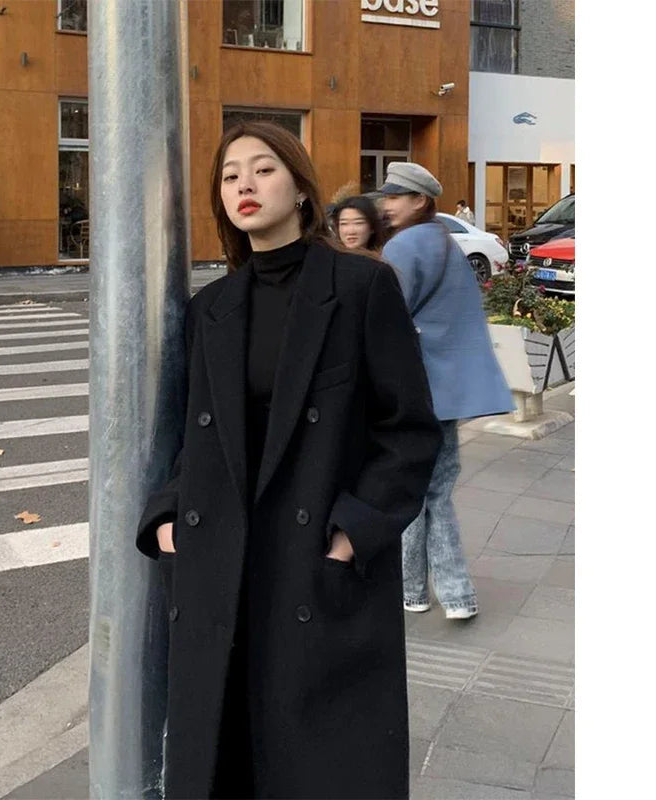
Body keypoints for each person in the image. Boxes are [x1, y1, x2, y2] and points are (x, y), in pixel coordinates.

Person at [136, 122, 442, 799]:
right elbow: (194, 434)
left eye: (263, 169)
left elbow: (411, 430)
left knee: (317, 766)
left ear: (302, 189)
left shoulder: (361, 287)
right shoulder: (210, 308)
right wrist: (166, 518)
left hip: (312, 564)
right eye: (229, 175)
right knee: (225, 761)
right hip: (220, 566)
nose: (244, 184)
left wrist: (352, 532)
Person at [380, 162, 514, 620]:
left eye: (396, 196)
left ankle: (435, 592)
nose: (386, 203)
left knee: (420, 492)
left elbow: (388, 317)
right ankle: (423, 592)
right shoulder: (443, 240)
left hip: (418, 388)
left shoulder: (404, 245)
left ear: (419, 200)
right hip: (451, 391)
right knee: (433, 490)